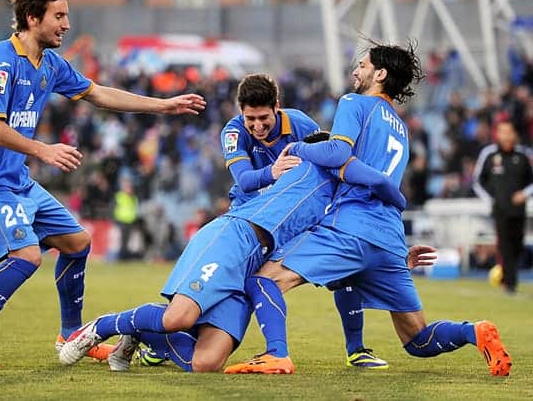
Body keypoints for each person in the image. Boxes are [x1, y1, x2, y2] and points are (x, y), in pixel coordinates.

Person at [0, 0, 205, 371]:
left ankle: (70, 335)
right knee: (26, 256)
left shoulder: (50, 64)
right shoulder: (2, 60)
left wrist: (162, 106)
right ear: (33, 18)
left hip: (17, 181)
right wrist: (43, 150)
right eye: (59, 16)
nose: (66, 24)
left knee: (78, 243)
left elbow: (98, 93)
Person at [224, 41, 512, 377]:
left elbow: (335, 154)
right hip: (389, 237)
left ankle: (276, 355)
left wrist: (298, 147)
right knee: (417, 338)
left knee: (262, 281)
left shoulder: (354, 103)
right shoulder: (401, 129)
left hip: (350, 226)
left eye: (362, 65)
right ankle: (473, 331)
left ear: (380, 73)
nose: (355, 70)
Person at [58, 130, 408, 372]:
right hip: (235, 237)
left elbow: (346, 255)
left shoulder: (339, 200)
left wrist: (395, 254)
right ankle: (99, 327)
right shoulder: (319, 160)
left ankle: (140, 333)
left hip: (255, 262)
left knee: (206, 362)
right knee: (178, 318)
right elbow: (372, 177)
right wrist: (399, 202)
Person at [221, 73, 388, 368]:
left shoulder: (302, 125)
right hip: (250, 218)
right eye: (251, 119)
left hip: (294, 217)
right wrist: (273, 172)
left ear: (276, 107)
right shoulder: (233, 132)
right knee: (221, 283)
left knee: (344, 272)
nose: (257, 126)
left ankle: (357, 349)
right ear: (241, 112)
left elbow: (329, 164)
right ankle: (167, 341)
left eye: (263, 118)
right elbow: (245, 180)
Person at [472, 120, 533, 294]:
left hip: (519, 210)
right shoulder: (489, 154)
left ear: (514, 134)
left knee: (517, 245)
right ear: (497, 134)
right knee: (505, 245)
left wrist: (524, 194)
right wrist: (491, 200)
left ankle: (509, 279)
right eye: (502, 132)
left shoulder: (523, 155)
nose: (506, 136)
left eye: (509, 132)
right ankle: (509, 283)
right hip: (500, 209)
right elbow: (477, 181)